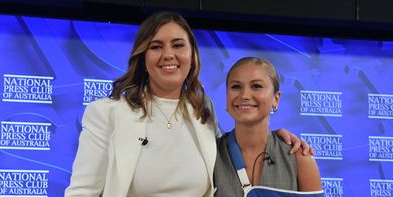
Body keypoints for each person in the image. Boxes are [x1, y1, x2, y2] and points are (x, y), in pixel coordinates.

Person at [65, 11, 312, 197]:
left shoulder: (201, 111)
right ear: (143, 57)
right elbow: (82, 192)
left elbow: (234, 147)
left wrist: (276, 137)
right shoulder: (107, 114)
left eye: (178, 45)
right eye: (156, 46)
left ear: (192, 56)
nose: (168, 55)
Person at [214, 57, 324, 197]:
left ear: (276, 99)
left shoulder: (300, 158)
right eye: (236, 87)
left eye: (256, 86)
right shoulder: (209, 154)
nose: (245, 95)